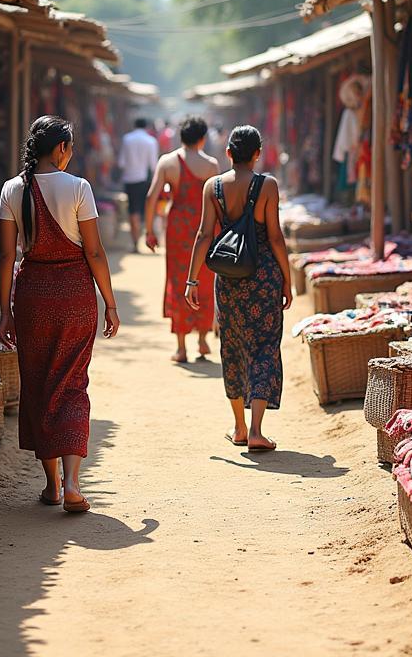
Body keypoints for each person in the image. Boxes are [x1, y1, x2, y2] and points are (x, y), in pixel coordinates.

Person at [0, 116, 120, 514]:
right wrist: (110, 302)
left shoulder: (12, 189)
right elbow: (94, 252)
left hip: (32, 299)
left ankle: (52, 486)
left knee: (39, 385)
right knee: (72, 384)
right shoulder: (79, 187)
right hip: (75, 297)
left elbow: (6, 257)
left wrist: (4, 312)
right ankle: (73, 484)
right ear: (62, 148)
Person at [185, 125, 292, 453]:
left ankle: (239, 428)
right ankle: (257, 430)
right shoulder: (267, 186)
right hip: (264, 277)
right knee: (265, 346)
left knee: (231, 347)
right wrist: (287, 279)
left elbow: (204, 235)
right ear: (257, 154)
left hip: (229, 279)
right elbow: (275, 237)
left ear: (228, 153)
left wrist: (192, 280)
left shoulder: (213, 187)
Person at [144, 116, 220, 363]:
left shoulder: (167, 163)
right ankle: (203, 340)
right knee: (204, 279)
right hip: (204, 228)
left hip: (177, 229)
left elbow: (151, 197)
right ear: (202, 139)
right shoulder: (211, 166)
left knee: (178, 281)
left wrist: (149, 231)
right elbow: (218, 201)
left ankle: (181, 348)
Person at [118, 117, 159, 252]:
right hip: (144, 180)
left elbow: (121, 163)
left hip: (130, 179)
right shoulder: (151, 141)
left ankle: (135, 242)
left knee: (133, 210)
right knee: (145, 210)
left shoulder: (127, 139)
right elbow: (153, 165)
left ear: (134, 125)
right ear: (146, 127)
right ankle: (145, 238)